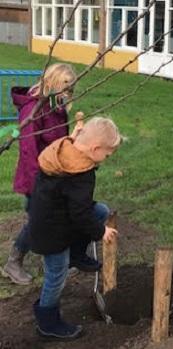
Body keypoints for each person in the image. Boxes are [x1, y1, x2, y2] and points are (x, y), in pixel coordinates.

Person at [2, 64, 104, 286]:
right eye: (66, 89)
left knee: (58, 217)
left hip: (55, 176)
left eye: (71, 89)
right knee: (37, 222)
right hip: (37, 179)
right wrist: (39, 184)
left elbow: (59, 144)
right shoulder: (33, 110)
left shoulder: (56, 108)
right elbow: (29, 152)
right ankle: (13, 262)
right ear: (53, 85)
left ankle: (66, 257)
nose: (69, 94)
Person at [30, 117, 121, 340]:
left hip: (50, 214)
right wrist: (101, 232)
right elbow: (80, 214)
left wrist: (77, 132)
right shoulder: (81, 174)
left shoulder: (65, 148)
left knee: (101, 211)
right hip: (52, 232)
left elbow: (81, 209)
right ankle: (48, 324)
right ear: (95, 148)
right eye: (107, 155)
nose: (106, 159)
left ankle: (77, 255)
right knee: (56, 275)